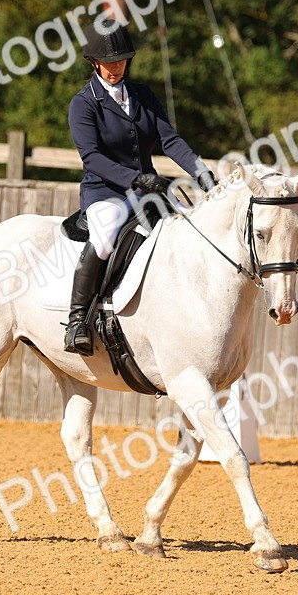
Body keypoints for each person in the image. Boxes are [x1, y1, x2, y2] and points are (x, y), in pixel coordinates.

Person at [63, 19, 218, 355]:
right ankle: (77, 321)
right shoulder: (83, 103)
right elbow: (92, 157)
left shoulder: (143, 95)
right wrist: (134, 179)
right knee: (105, 236)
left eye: (120, 61)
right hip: (106, 192)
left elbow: (169, 139)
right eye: (108, 62)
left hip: (149, 192)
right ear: (94, 62)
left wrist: (201, 172)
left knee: (187, 229)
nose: (115, 68)